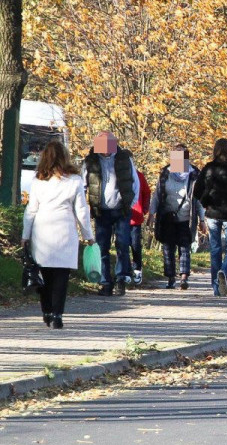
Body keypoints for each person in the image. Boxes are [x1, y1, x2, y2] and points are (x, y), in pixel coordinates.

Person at [22, 141, 95, 329]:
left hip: (42, 230)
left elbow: (31, 210)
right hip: (65, 229)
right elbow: (81, 210)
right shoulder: (75, 180)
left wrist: (25, 234)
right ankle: (57, 315)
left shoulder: (38, 180)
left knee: (44, 275)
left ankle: (46, 312)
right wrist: (88, 234)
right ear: (65, 157)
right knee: (61, 277)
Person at [81, 131, 140, 296]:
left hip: (121, 209)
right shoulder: (90, 161)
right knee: (102, 247)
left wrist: (130, 203)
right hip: (101, 211)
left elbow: (135, 183)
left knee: (122, 244)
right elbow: (82, 184)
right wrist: (85, 207)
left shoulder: (124, 159)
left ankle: (121, 278)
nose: (105, 150)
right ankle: (105, 282)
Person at [148, 144, 206, 290]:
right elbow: (157, 195)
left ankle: (184, 277)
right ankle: (170, 277)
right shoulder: (165, 173)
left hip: (187, 217)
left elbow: (198, 200)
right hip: (167, 216)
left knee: (184, 247)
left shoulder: (194, 175)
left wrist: (202, 220)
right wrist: (152, 213)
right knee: (168, 247)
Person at [194, 138, 227, 297]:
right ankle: (225, 275)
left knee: (215, 248)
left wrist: (205, 201)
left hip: (213, 212)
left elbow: (196, 191)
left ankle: (216, 286)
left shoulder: (208, 168)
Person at [128, 169, 151, 285]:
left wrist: (145, 209)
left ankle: (137, 269)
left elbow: (147, 192)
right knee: (121, 245)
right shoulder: (116, 173)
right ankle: (125, 271)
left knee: (135, 244)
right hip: (120, 217)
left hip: (135, 218)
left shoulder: (139, 175)